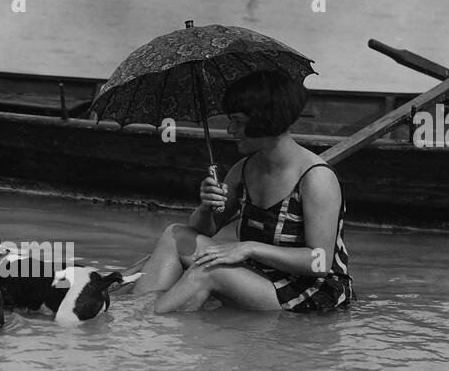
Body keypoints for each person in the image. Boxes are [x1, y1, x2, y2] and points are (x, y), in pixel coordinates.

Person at [136, 69, 353, 313]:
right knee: (174, 235)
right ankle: (136, 312)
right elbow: (202, 231)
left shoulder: (316, 178)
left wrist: (249, 248)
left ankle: (147, 326)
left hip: (311, 289)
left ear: (266, 119)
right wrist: (206, 206)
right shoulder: (243, 169)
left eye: (238, 121)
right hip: (259, 275)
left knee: (208, 272)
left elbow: (320, 262)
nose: (230, 130)